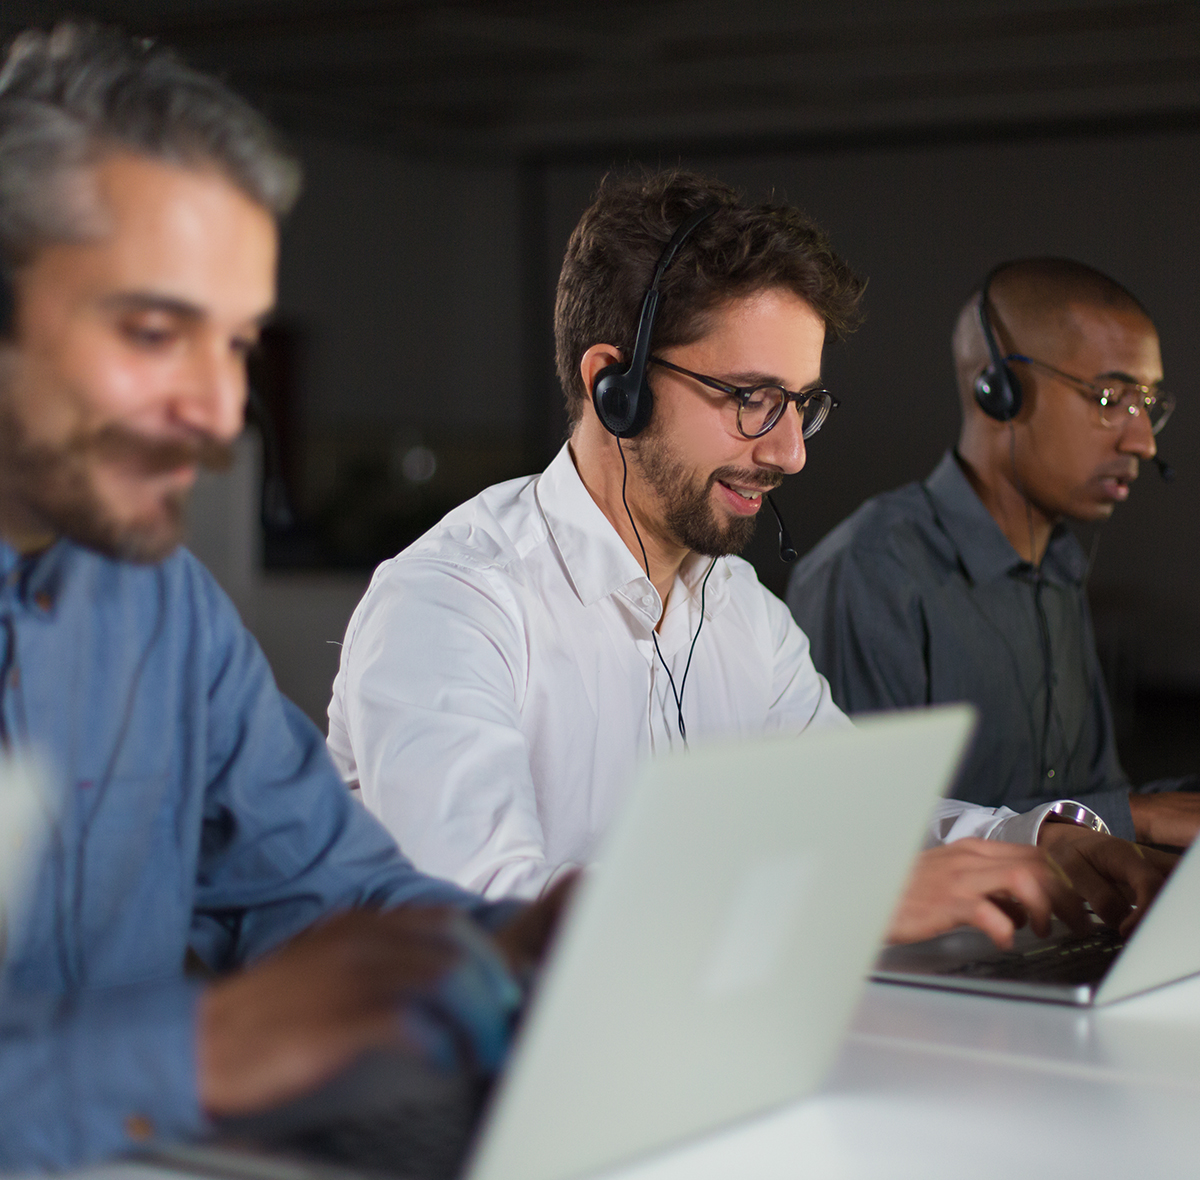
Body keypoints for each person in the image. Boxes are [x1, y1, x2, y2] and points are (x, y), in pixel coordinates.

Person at [0, 23, 565, 1174]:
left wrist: (523, 942)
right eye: (154, 332)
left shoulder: (164, 612)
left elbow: (327, 885)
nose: (217, 416)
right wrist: (200, 1050)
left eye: (238, 346)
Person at [327, 177, 1165, 944]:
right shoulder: (451, 604)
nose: (792, 452)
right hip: (480, 1093)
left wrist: (1041, 844)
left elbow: (858, 816)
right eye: (752, 401)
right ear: (613, 385)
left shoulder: (740, 611)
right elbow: (486, 920)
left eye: (802, 405)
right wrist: (838, 898)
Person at [787, 257, 1200, 849]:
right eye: (1110, 398)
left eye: (1148, 403)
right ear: (998, 391)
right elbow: (864, 836)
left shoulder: (1054, 567)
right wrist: (1138, 814)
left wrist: (1154, 808)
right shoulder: (872, 571)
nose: (1142, 440)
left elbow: (1095, 791)